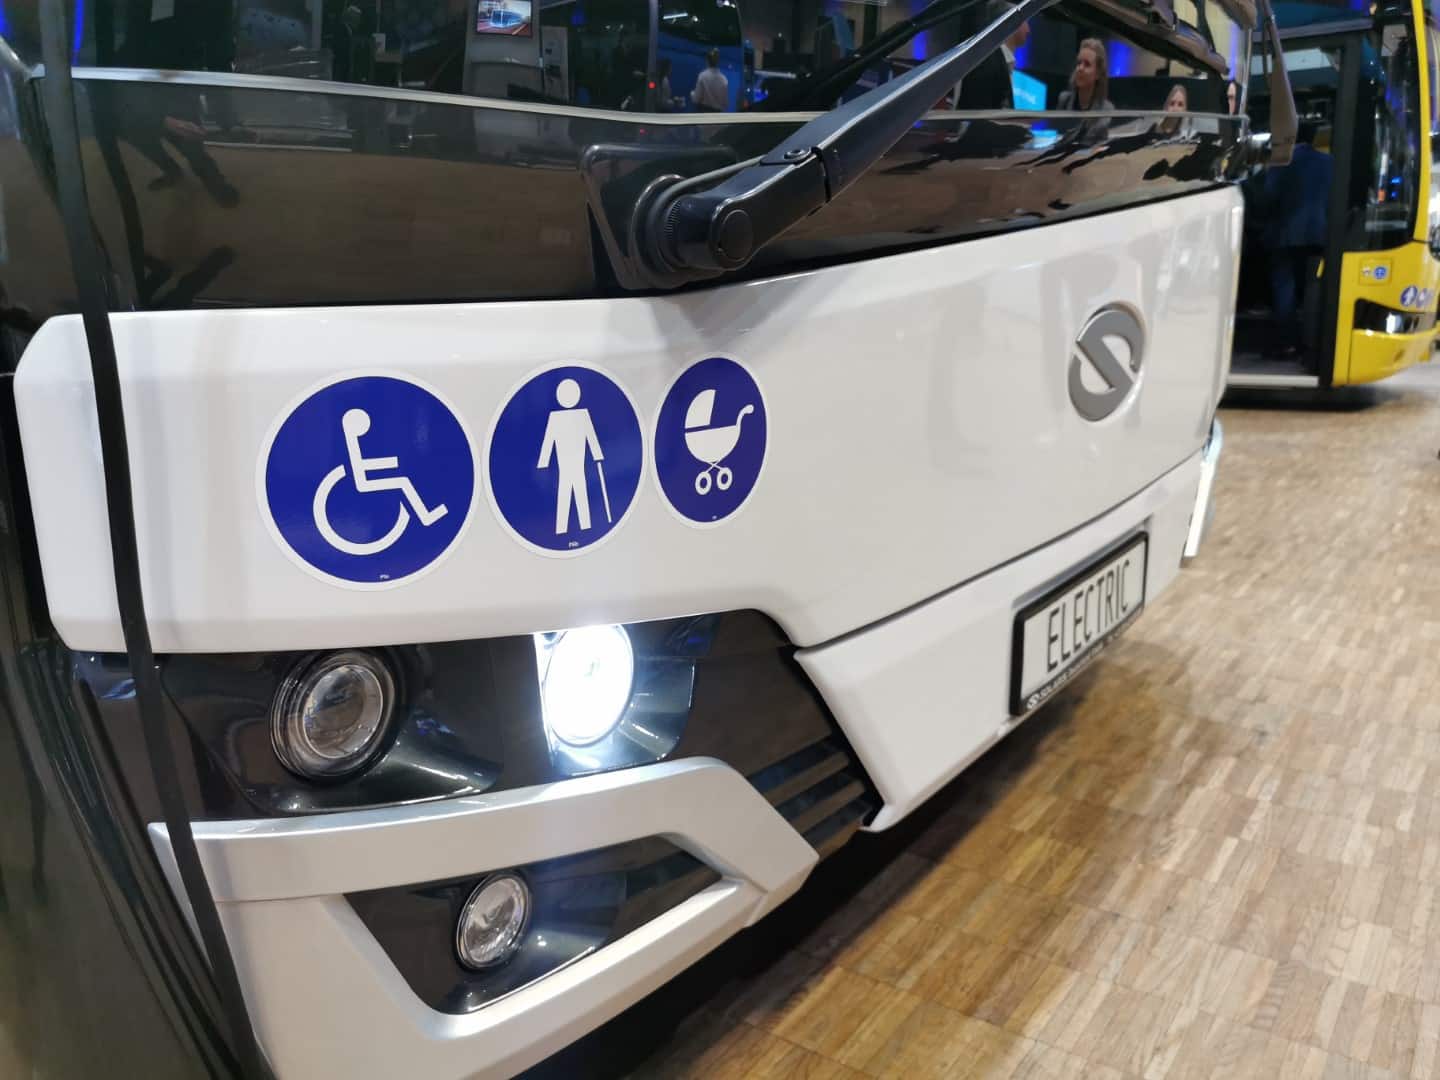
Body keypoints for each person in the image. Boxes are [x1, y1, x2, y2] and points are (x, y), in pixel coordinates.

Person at [1258, 121, 1333, 352]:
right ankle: (1309, 341)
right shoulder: (1329, 162)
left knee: (1284, 287)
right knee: (1311, 288)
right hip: (1319, 234)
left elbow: (1269, 196)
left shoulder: (1282, 162)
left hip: (1285, 234)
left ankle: (1286, 341)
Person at [956, 14, 1030, 111]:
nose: (1029, 29)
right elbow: (978, 112)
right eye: (1025, 20)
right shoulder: (987, 62)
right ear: (1010, 21)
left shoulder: (1000, 61)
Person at [1057, 38, 1114, 142]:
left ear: (1098, 74)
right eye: (1079, 63)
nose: (1080, 68)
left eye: (1087, 64)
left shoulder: (1106, 109)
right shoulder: (1064, 99)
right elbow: (1058, 137)